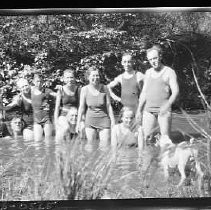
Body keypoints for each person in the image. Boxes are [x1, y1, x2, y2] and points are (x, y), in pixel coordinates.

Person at [136, 45, 179, 151]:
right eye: (150, 59)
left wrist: (167, 105)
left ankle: (164, 165)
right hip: (148, 110)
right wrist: (139, 110)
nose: (153, 61)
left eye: (154, 58)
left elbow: (176, 91)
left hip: (164, 111)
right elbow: (144, 93)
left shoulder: (169, 72)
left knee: (165, 141)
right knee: (147, 139)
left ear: (160, 56)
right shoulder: (148, 72)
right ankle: (150, 164)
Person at [76, 66, 115, 152]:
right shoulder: (84, 89)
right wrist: (78, 123)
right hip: (90, 121)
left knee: (105, 148)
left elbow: (108, 106)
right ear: (88, 77)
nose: (95, 78)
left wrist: (113, 121)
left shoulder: (105, 88)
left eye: (97, 75)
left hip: (104, 120)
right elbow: (81, 107)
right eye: (93, 76)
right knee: (90, 147)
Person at [54, 69, 84, 143]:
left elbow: (81, 106)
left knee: (83, 127)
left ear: (74, 78)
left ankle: (79, 148)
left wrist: (81, 119)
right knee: (65, 127)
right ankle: (63, 148)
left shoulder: (79, 90)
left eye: (71, 77)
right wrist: (56, 123)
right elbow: (57, 107)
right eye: (67, 78)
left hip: (75, 115)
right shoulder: (61, 90)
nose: (69, 80)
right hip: (64, 115)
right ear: (64, 79)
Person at [31, 74, 56, 142]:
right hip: (37, 120)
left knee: (48, 142)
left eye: (41, 82)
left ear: (43, 82)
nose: (39, 83)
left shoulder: (47, 91)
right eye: (37, 81)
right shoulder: (31, 91)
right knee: (37, 142)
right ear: (33, 81)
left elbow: (55, 95)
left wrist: (59, 91)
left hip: (46, 119)